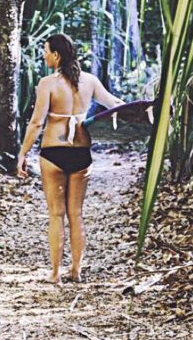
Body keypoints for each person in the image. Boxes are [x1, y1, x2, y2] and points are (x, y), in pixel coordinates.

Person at [16, 33, 124, 284]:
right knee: (76, 213)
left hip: (53, 153)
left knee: (56, 214)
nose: (43, 55)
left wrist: (23, 153)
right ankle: (76, 270)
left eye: (46, 51)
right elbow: (115, 105)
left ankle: (55, 274)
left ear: (56, 55)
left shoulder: (47, 83)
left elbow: (36, 123)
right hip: (81, 154)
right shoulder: (90, 81)